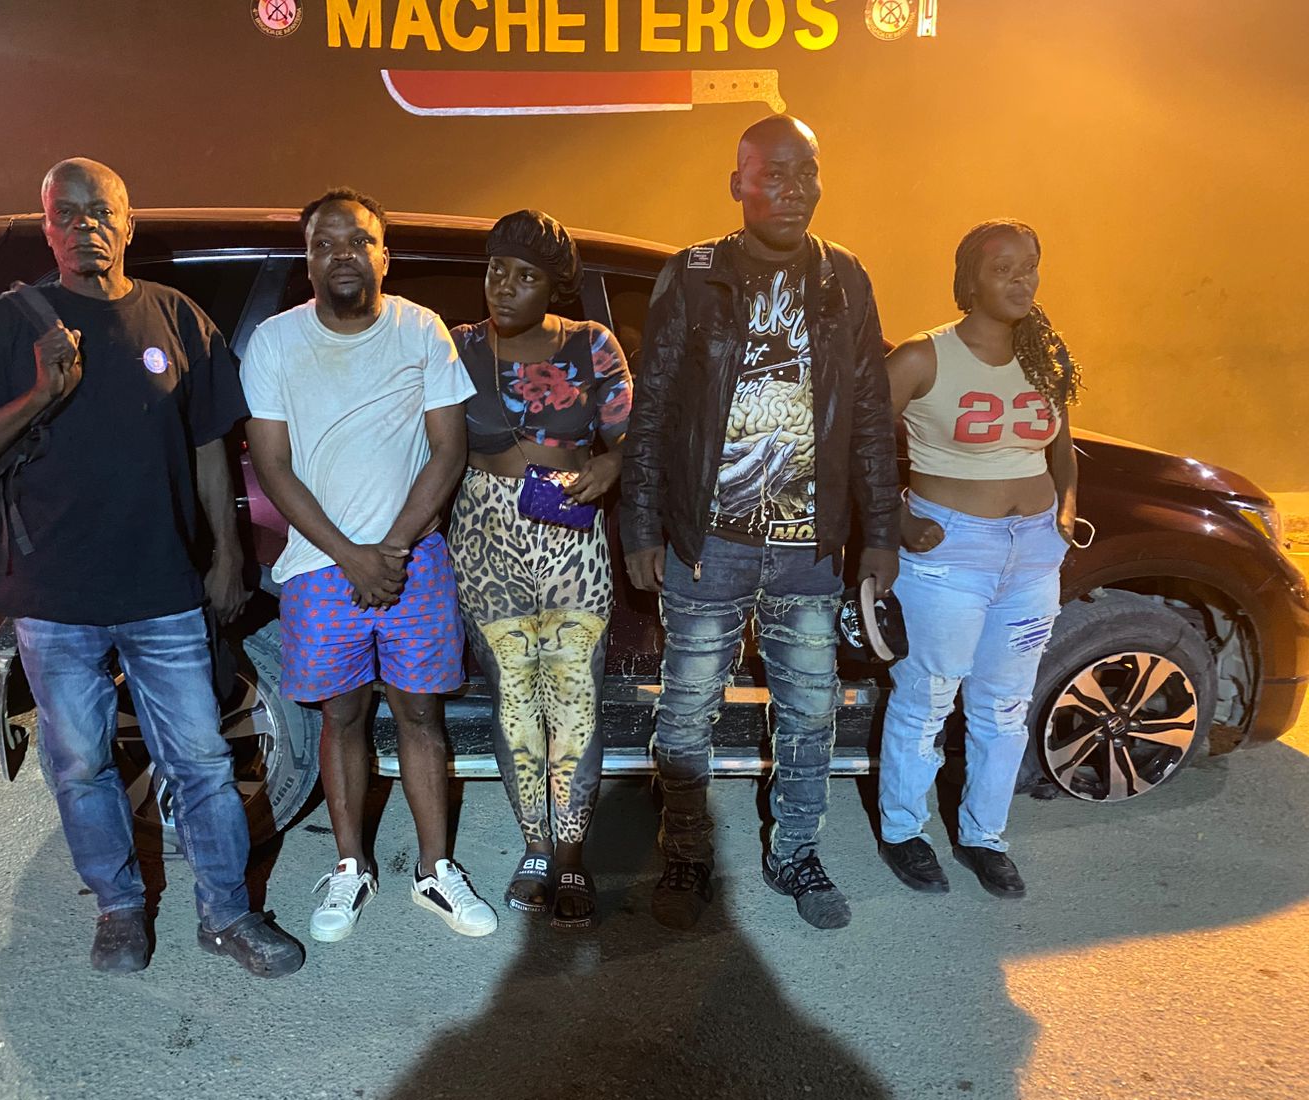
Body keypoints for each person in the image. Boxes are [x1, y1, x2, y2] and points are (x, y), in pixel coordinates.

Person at [0, 158, 303, 977]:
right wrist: (39, 393)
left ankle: (228, 915)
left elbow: (211, 447)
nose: (84, 227)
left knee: (201, 760)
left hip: (163, 589)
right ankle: (119, 910)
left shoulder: (176, 317)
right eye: (65, 214)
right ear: (47, 228)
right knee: (80, 763)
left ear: (128, 224)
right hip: (54, 597)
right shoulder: (9, 324)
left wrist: (227, 557)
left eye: (99, 211)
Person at [620, 116, 901, 932]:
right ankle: (686, 854)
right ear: (737, 183)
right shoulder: (693, 275)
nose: (793, 189)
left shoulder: (845, 277)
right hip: (708, 543)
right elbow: (654, 407)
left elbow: (871, 413)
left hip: (810, 546)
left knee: (811, 712)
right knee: (686, 713)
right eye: (773, 173)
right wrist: (641, 523)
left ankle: (796, 853)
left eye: (806, 171)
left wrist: (880, 532)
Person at [242, 188, 497, 943]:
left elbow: (448, 450)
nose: (342, 256)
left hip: (414, 560)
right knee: (341, 716)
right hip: (320, 567)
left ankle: (435, 870)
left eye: (358, 241)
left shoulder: (421, 330)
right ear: (308, 261)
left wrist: (390, 550)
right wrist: (350, 556)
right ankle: (350, 866)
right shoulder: (276, 342)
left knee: (421, 714)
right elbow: (272, 464)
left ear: (385, 254)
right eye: (324, 244)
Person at [875, 220, 1082, 899]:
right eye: (1003, 268)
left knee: (1004, 707)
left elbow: (1062, 448)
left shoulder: (1045, 356)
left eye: (1031, 266)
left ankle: (985, 837)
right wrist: (898, 520)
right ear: (968, 282)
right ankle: (904, 831)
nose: (1022, 280)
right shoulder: (921, 357)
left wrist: (1066, 509)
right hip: (951, 553)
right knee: (928, 697)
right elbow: (852, 444)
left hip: (1032, 558)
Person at [449, 210, 633, 930]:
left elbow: (632, 435)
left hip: (570, 532)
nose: (504, 285)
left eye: (525, 275)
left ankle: (573, 853)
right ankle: (534, 845)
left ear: (554, 286)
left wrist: (611, 465)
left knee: (575, 701)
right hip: (484, 532)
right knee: (514, 700)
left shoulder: (592, 344)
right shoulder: (459, 346)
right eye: (497, 268)